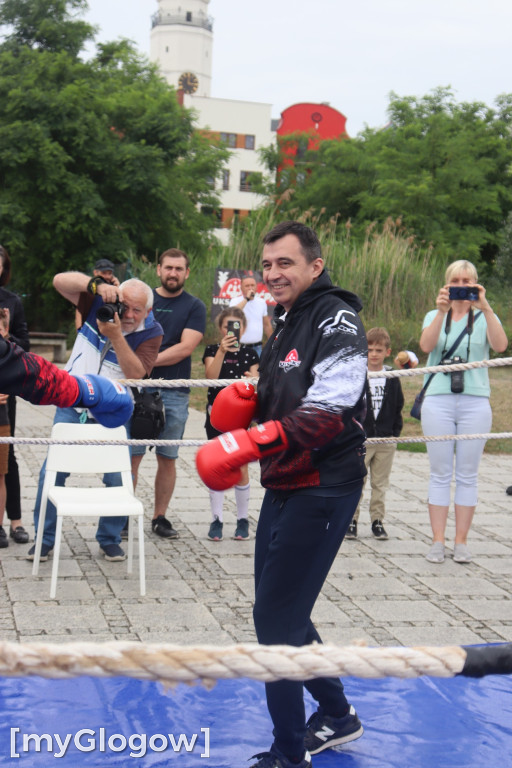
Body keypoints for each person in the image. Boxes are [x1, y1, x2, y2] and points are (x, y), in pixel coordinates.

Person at [196, 220, 368, 768]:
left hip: (325, 483)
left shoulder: (337, 318)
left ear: (314, 266)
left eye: (285, 263)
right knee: (281, 611)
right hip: (283, 480)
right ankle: (338, 715)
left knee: (274, 622)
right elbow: (277, 398)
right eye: (267, 265)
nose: (273, 274)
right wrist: (245, 401)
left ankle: (289, 755)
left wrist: (255, 437)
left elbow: (332, 405)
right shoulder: (283, 324)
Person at [29, 274, 162, 563]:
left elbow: (137, 374)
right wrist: (95, 285)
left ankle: (110, 539)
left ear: (148, 312)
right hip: (72, 404)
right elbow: (58, 281)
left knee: (118, 477)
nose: (127, 315)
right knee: (51, 473)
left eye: (136, 310)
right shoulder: (98, 303)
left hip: (114, 412)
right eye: (124, 306)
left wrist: (115, 336)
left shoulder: (152, 332)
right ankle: (43, 540)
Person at [419, 259, 508, 565]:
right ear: (446, 284)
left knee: (468, 475)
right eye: (456, 280)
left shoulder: (484, 316)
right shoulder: (435, 314)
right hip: (439, 399)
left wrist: (486, 308)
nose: (462, 286)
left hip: (474, 400)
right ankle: (438, 540)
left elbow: (500, 346)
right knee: (440, 473)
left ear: (476, 284)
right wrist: (442, 311)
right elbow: (425, 345)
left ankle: (461, 541)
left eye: (468, 281)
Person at [130, 248, 206, 540]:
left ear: (187, 273)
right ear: (158, 270)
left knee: (168, 456)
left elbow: (185, 348)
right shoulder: (141, 298)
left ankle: (159, 517)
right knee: (131, 456)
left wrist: (145, 362)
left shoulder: (194, 306)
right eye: (168, 267)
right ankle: (124, 514)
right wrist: (137, 368)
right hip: (137, 389)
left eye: (179, 269)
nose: (173, 273)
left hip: (175, 391)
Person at [202, 307, 259, 541]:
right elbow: (210, 377)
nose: (232, 330)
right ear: (220, 328)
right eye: (227, 326)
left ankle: (242, 519)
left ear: (244, 329)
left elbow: (256, 382)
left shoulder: (252, 354)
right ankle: (216, 519)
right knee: (217, 465)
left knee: (241, 467)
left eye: (236, 326)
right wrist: (222, 352)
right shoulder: (212, 350)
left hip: (241, 417)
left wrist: (253, 380)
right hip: (216, 414)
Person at [347, 327, 404, 540]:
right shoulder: (358, 375)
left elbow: (398, 405)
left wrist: (394, 432)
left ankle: (377, 521)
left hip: (386, 439)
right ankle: (351, 520)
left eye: (379, 350)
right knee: (356, 482)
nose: (373, 354)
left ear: (387, 352)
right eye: (369, 349)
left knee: (380, 483)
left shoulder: (392, 376)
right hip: (361, 439)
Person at [0, 244, 30, 544]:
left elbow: (25, 345)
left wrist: (7, 336)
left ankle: (16, 522)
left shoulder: (12, 301)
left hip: (4, 390)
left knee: (6, 456)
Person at [228, 273, 273, 357]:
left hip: (257, 347)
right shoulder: (235, 301)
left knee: (257, 370)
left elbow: (266, 325)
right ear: (241, 288)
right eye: (247, 286)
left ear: (256, 287)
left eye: (252, 285)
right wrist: (247, 299)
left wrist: (273, 343)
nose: (250, 288)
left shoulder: (261, 302)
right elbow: (233, 313)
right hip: (239, 346)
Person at [75, 258, 119, 330]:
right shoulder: (87, 291)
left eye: (110, 273)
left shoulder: (113, 290)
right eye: (104, 273)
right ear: (95, 273)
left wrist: (118, 289)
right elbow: (79, 312)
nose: (107, 276)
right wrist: (79, 330)